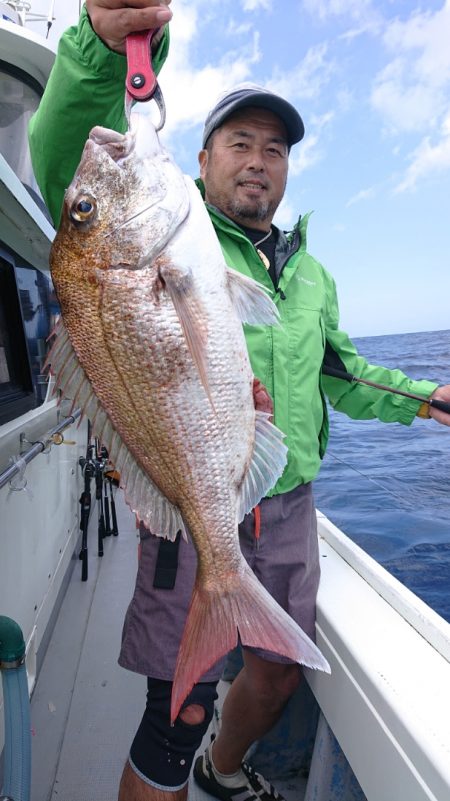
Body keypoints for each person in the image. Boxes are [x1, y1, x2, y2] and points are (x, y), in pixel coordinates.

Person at [28, 2, 450, 800]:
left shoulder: (309, 273)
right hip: (191, 502)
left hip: (285, 505)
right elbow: (63, 154)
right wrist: (98, 45)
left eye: (275, 149)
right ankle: (195, 749)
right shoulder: (169, 233)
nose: (259, 161)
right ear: (203, 156)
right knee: (177, 710)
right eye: (240, 143)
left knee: (280, 670)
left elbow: (344, 371)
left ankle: (226, 768)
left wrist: (427, 397)